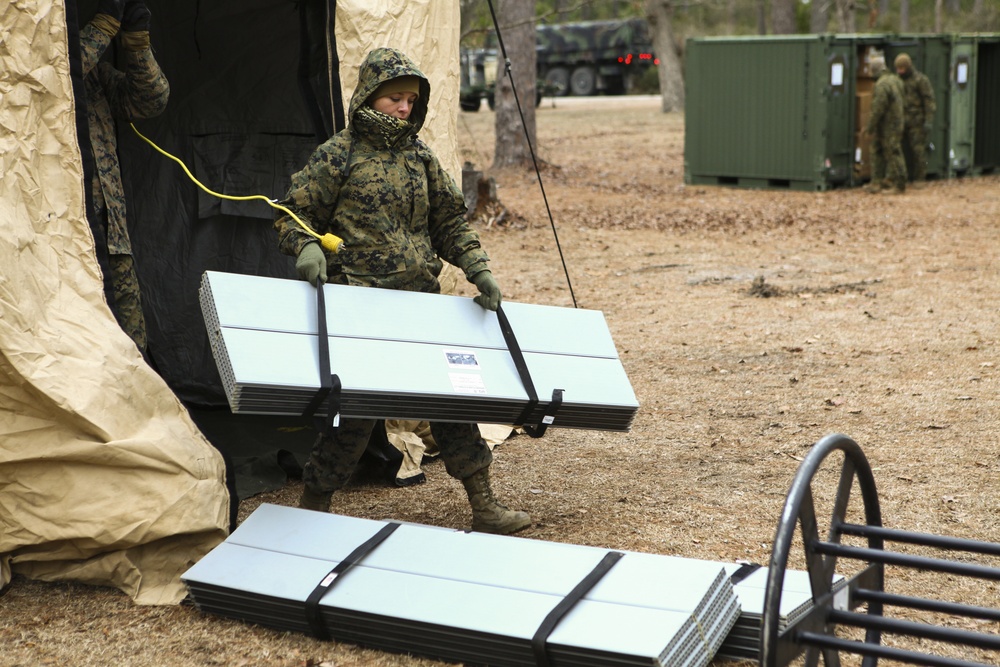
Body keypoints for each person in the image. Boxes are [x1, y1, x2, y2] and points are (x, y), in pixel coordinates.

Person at [273, 47, 531, 535]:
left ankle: (484, 505)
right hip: (361, 304)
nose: (405, 108)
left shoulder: (419, 157)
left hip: (420, 304)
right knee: (354, 415)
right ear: (371, 96)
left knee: (453, 404)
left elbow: (450, 221)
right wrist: (306, 247)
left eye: (411, 99)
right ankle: (314, 506)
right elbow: (292, 214)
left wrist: (479, 269)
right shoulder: (338, 154)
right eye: (396, 97)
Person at [81, 0, 169, 356]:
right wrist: (102, 27)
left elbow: (149, 100)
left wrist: (136, 44)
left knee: (131, 345)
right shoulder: (37, 66)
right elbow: (59, 75)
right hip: (63, 237)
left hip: (111, 233)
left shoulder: (96, 75)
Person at [864, 56, 906, 195]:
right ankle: (876, 182)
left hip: (888, 125)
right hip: (895, 122)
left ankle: (899, 185)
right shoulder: (896, 79)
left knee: (893, 152)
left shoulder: (882, 84)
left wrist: (870, 127)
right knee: (877, 149)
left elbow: (878, 108)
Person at [894, 53, 936, 186]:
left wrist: (928, 120)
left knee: (918, 150)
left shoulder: (920, 80)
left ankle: (920, 178)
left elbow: (929, 101)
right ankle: (900, 178)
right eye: (898, 69)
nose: (899, 71)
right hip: (901, 119)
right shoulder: (897, 80)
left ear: (908, 67)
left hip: (916, 121)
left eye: (902, 68)